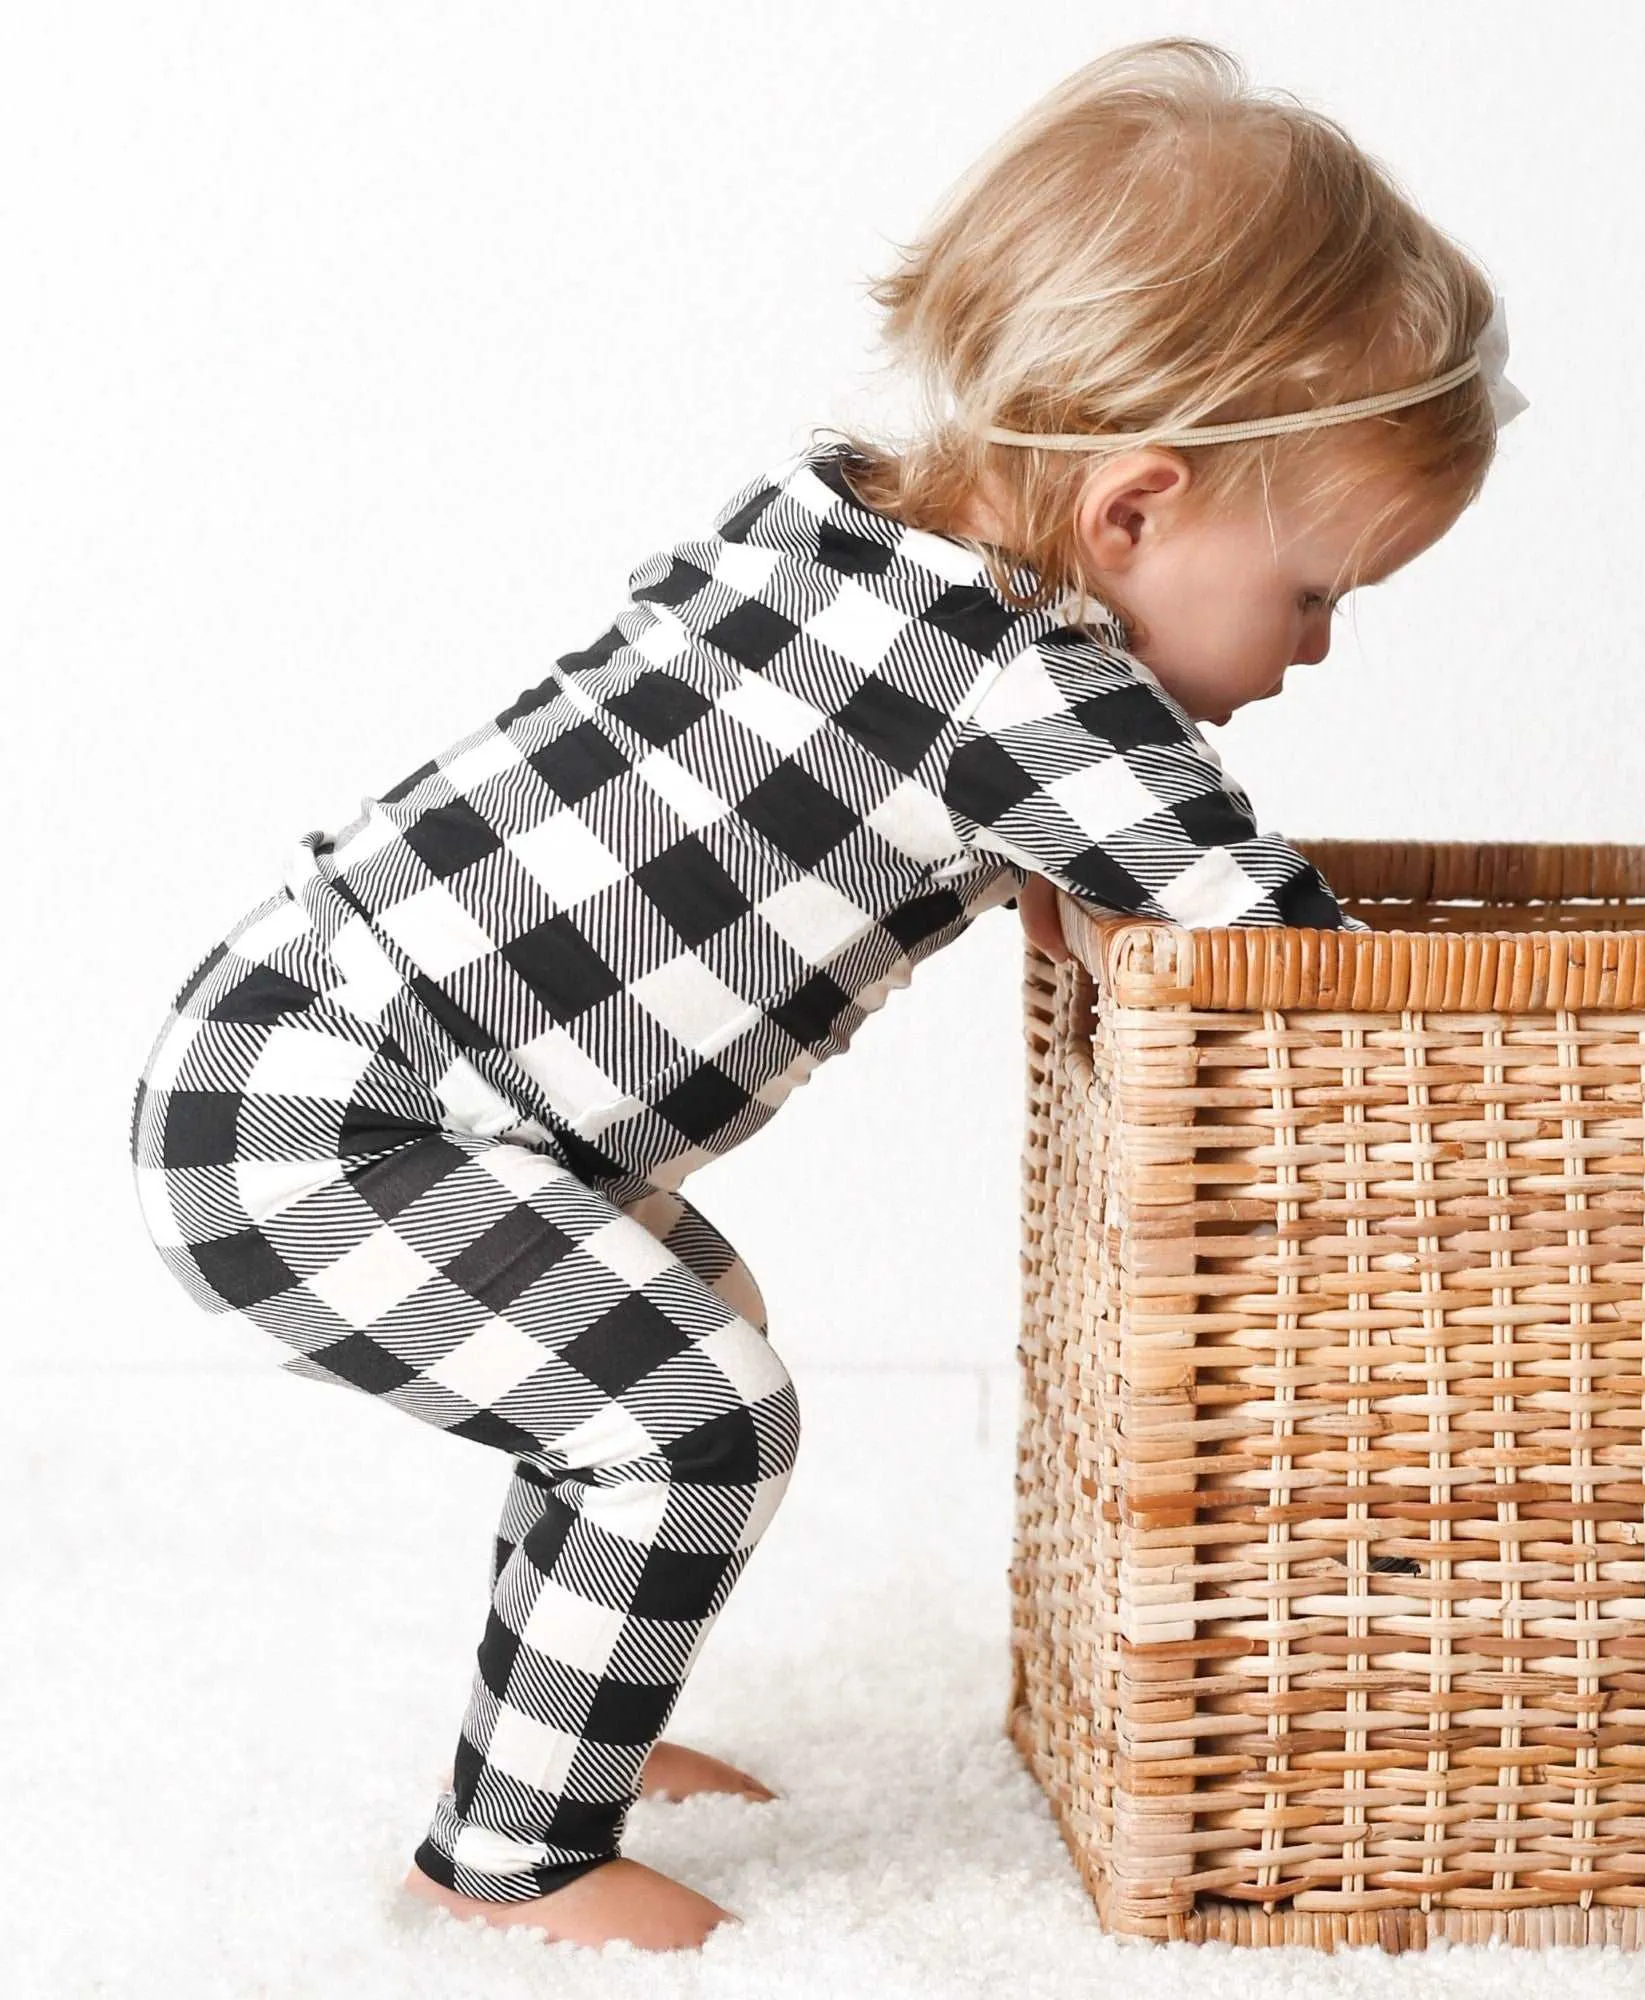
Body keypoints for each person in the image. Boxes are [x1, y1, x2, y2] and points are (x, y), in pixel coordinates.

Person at [125, 35, 1523, 1957]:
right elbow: (1288, 968)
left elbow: (810, 764)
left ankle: (573, 1730)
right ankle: (506, 1858)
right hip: (342, 1129)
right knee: (691, 1417)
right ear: (1131, 513)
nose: (1320, 652)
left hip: (293, 1040)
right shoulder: (1037, 695)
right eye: (1312, 596)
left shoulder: (829, 520)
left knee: (670, 1352)